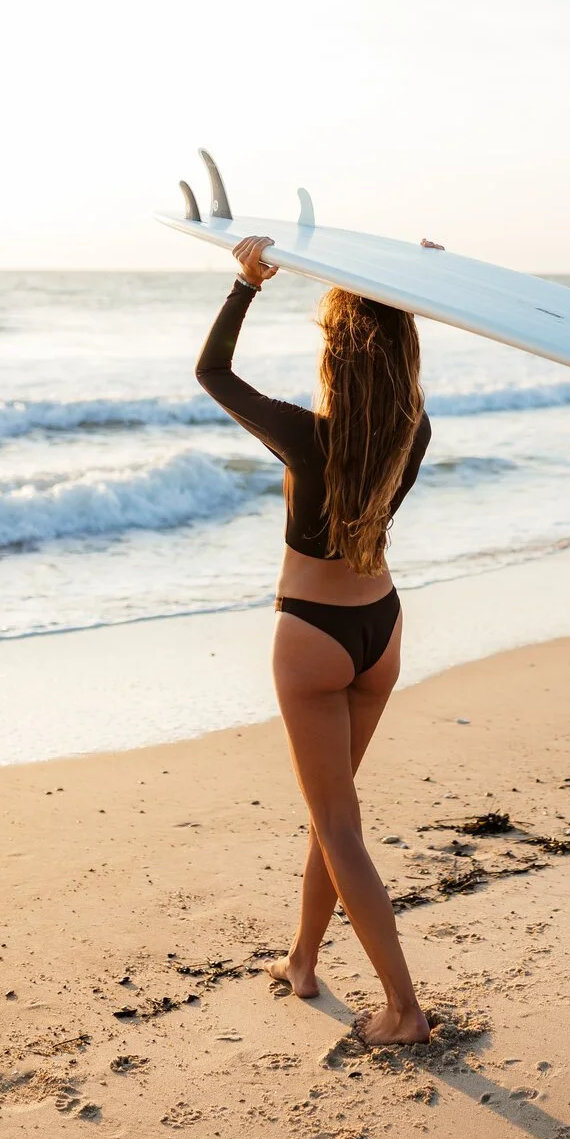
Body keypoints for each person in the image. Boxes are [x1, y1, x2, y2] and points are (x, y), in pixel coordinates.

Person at [195, 234, 439, 1045]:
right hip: (381, 629)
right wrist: (405, 290)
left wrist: (245, 286)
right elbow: (394, 368)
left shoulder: (307, 436)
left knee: (337, 825)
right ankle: (302, 960)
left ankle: (403, 1009)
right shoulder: (412, 434)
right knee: (329, 817)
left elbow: (213, 376)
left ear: (334, 354)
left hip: (312, 639)